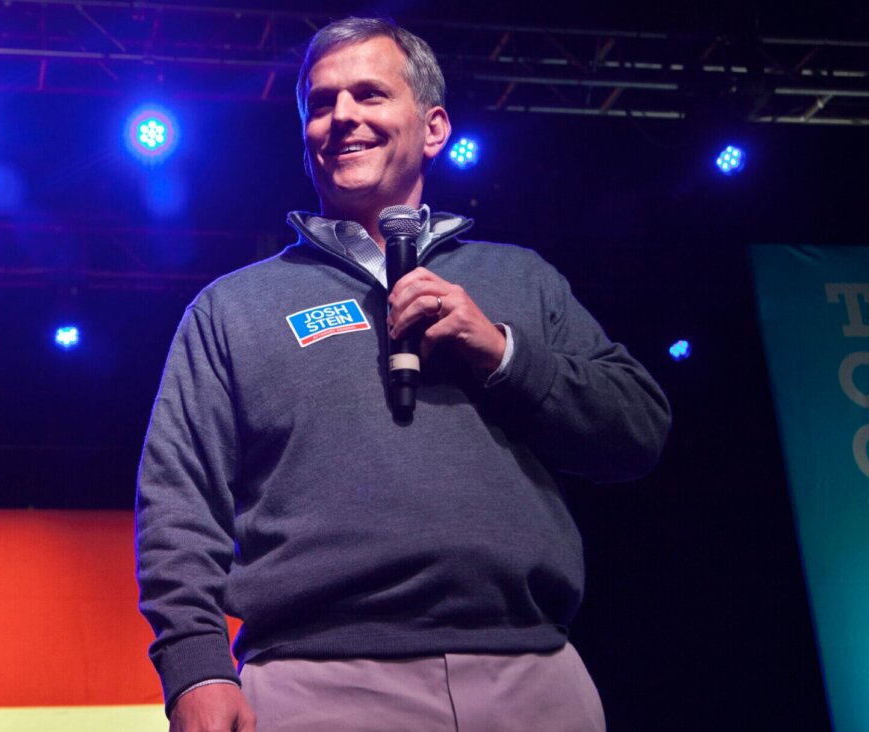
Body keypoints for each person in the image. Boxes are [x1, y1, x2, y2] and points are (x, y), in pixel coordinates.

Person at [136, 16, 670, 732]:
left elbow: (637, 431)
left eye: (368, 94)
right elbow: (177, 502)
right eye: (320, 104)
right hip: (315, 682)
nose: (342, 117)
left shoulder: (519, 279)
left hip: (534, 674)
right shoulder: (232, 307)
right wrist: (194, 666)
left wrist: (502, 351)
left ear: (433, 127)